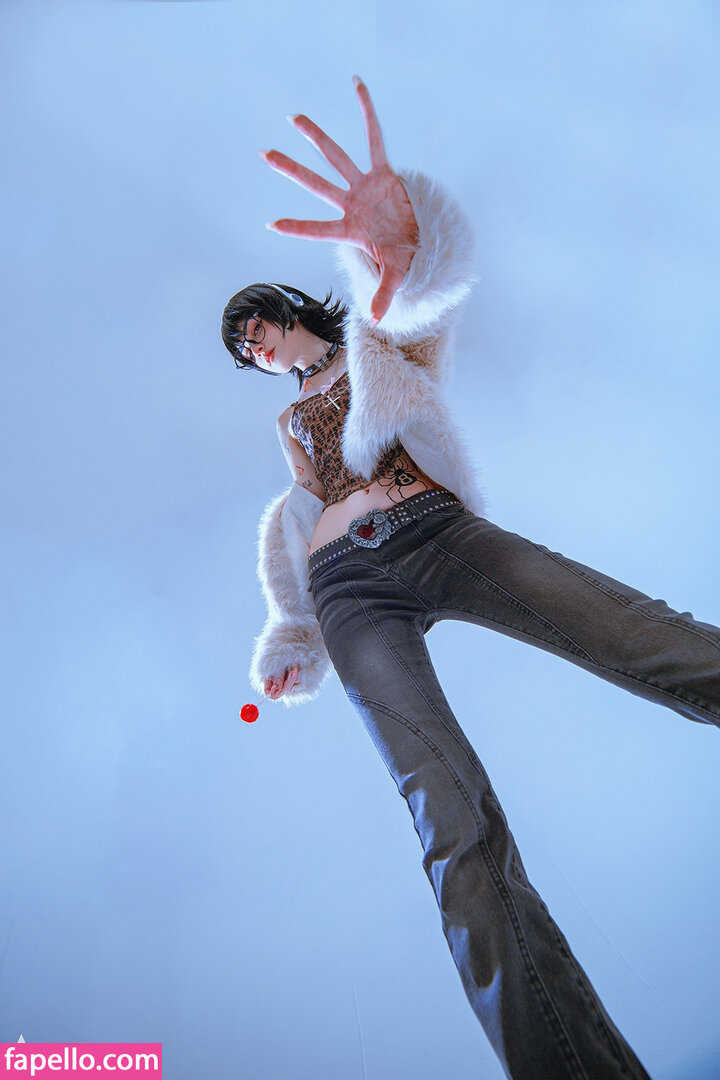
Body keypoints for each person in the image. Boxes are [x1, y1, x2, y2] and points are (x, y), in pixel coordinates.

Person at [221, 77, 719, 1080]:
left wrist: (409, 249)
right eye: (243, 352)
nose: (257, 349)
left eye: (256, 329)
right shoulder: (285, 422)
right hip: (347, 593)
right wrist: (296, 627)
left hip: (434, 530)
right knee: (450, 825)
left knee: (636, 633)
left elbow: (422, 298)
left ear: (283, 310)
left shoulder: (374, 336)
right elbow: (303, 510)